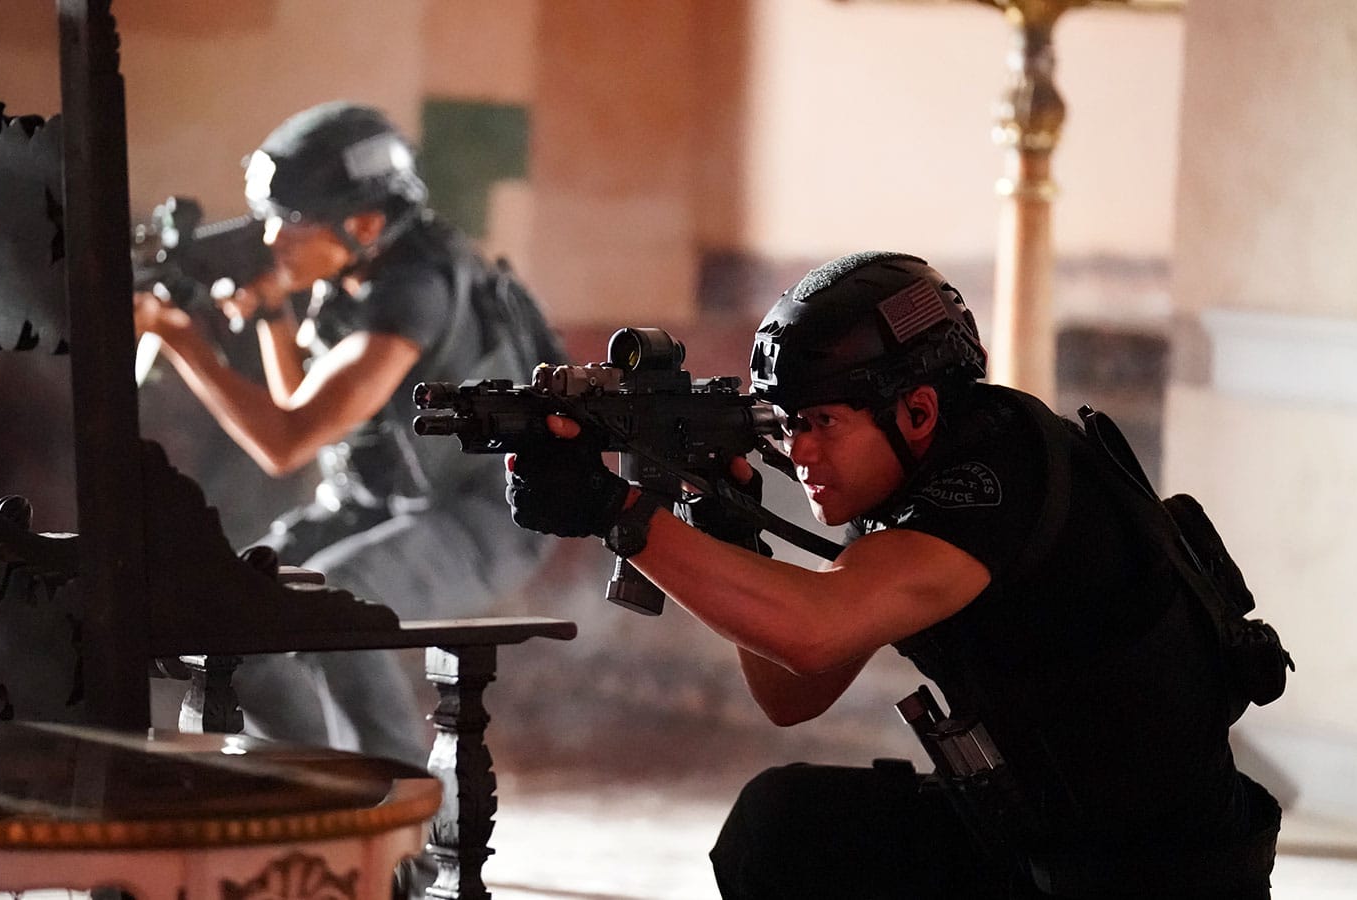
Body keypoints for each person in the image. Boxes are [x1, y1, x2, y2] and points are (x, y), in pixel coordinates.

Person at [503, 251, 1282, 898]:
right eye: (791, 424)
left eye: (824, 423)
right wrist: (731, 534)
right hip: (1043, 839)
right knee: (784, 830)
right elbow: (792, 692)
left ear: (917, 411)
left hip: (1158, 875)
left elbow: (813, 633)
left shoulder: (994, 479)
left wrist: (614, 510)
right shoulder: (908, 490)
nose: (801, 453)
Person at [134, 102, 564, 765]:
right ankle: (321, 785)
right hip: (381, 502)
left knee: (338, 606)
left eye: (291, 220)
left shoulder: (415, 289)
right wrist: (272, 313)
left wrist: (184, 343)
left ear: (363, 223)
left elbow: (287, 442)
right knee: (233, 608)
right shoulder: (360, 272)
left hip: (489, 511)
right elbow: (301, 403)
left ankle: (396, 803)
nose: (271, 238)